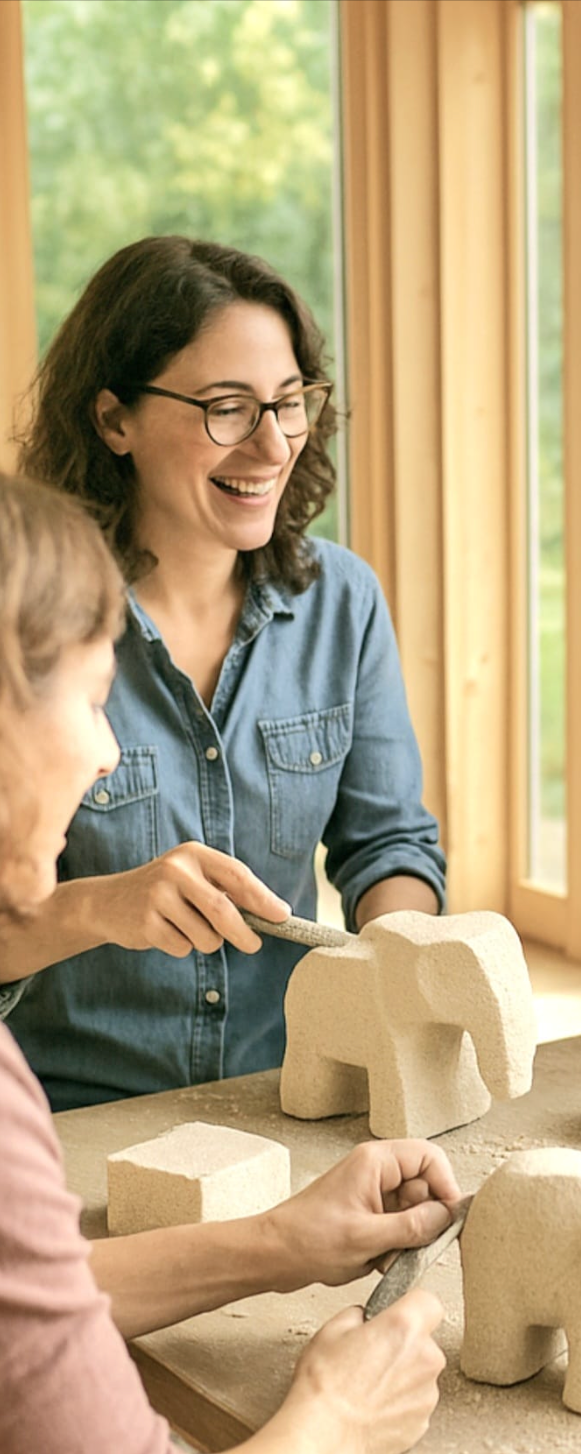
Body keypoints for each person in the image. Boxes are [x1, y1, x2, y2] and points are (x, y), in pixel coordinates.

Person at [0, 470, 458, 1454]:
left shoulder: (342, 598)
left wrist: (282, 1244)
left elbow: (23, 1316)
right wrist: (336, 1419)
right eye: (87, 697)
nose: (108, 750)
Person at [2, 235, 445, 1111]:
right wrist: (99, 907)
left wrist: (403, 963)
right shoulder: (27, 613)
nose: (272, 444)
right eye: (226, 407)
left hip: (289, 1095)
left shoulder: (342, 600)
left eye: (289, 403)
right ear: (112, 419)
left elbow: (389, 843)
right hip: (75, 1114)